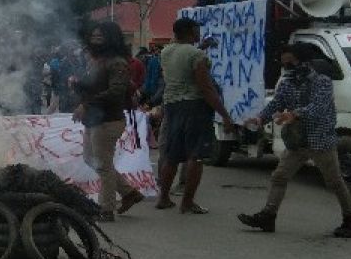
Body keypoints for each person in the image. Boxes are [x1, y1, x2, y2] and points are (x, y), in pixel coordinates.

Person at [238, 43, 351, 238]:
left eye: (291, 63)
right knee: (280, 176)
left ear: (304, 61)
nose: (288, 68)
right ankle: (268, 216)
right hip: (297, 141)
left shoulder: (322, 81)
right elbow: (277, 103)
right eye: (285, 64)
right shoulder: (288, 83)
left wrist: (294, 115)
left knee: (335, 182)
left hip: (319, 140)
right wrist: (260, 118)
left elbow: (318, 107)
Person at [154, 18, 235, 214]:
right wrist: (224, 115)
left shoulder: (166, 52)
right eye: (197, 29)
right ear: (191, 31)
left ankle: (163, 198)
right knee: (195, 156)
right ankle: (187, 202)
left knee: (171, 156)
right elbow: (206, 88)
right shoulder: (197, 56)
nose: (199, 32)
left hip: (173, 106)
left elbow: (182, 57)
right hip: (194, 108)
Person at [73, 21, 145, 223]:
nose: (95, 40)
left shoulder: (117, 62)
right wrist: (78, 87)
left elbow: (115, 93)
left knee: (103, 165)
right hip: (93, 120)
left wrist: (86, 105)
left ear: (111, 39)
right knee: (91, 159)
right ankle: (129, 192)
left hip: (108, 121)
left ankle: (106, 209)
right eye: (93, 37)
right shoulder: (96, 61)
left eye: (100, 37)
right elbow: (94, 87)